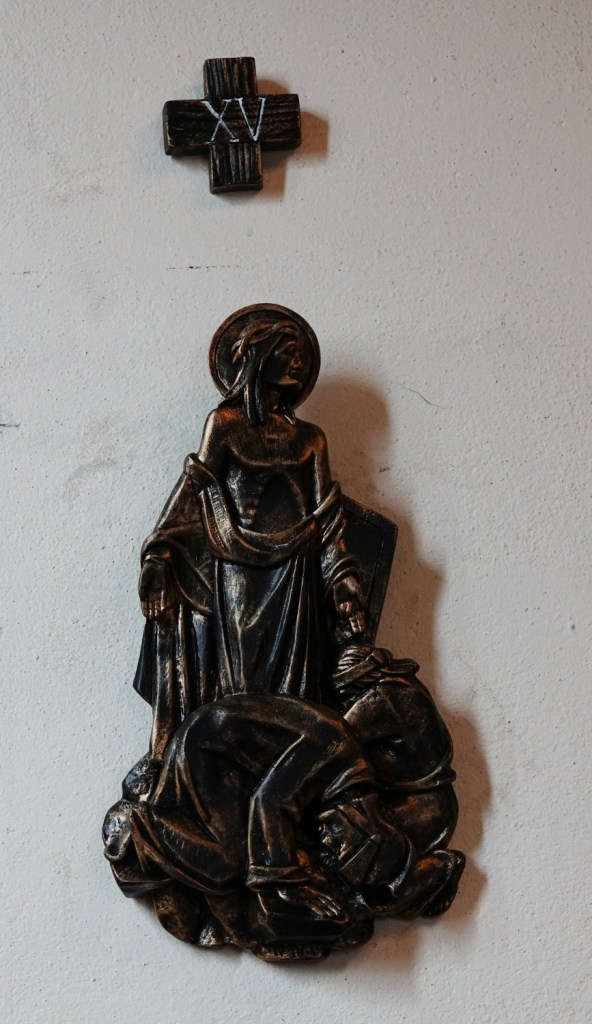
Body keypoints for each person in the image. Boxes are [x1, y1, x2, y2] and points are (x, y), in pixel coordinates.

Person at [133, 308, 365, 759]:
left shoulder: (312, 439)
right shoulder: (225, 426)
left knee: (294, 692)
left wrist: (342, 579)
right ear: (259, 357)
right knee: (239, 686)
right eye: (287, 352)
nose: (297, 363)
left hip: (296, 576)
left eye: (300, 356)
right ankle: (233, 768)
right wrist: (158, 556)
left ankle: (289, 772)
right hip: (237, 570)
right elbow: (194, 490)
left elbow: (328, 519)